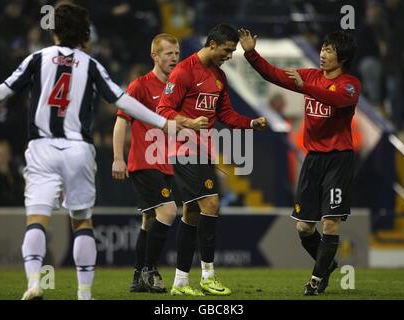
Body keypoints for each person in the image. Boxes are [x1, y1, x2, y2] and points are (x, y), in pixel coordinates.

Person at [0, 3, 178, 300]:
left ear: (54, 30)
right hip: (78, 149)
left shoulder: (38, 58)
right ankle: (85, 293)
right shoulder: (90, 64)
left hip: (42, 147)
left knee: (37, 219)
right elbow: (122, 100)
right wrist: (162, 122)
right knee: (82, 220)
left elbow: (2, 91)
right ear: (85, 34)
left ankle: (34, 283)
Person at [239, 28, 360, 295]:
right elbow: (273, 74)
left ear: (342, 58)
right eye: (323, 48)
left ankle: (316, 281)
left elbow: (338, 99)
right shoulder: (310, 77)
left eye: (330, 50)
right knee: (304, 227)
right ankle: (326, 264)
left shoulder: (349, 84)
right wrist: (250, 53)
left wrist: (307, 88)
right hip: (312, 159)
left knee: (330, 222)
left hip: (338, 160)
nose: (323, 54)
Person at [157, 23, 268, 296]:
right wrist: (189, 123)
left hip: (203, 150)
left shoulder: (219, 76)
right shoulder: (184, 70)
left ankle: (180, 283)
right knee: (212, 203)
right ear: (212, 44)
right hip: (183, 148)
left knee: (192, 214)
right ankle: (208, 276)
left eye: (232, 52)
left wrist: (251, 123)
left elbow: (227, 114)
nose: (229, 56)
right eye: (227, 50)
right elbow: (163, 109)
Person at [112, 33, 186, 294]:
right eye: (169, 54)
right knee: (168, 212)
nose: (174, 58)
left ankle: (137, 275)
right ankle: (149, 270)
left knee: (148, 220)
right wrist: (118, 158)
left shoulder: (176, 89)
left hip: (165, 164)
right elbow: (121, 121)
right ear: (155, 56)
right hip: (144, 162)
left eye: (176, 53)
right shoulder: (139, 86)